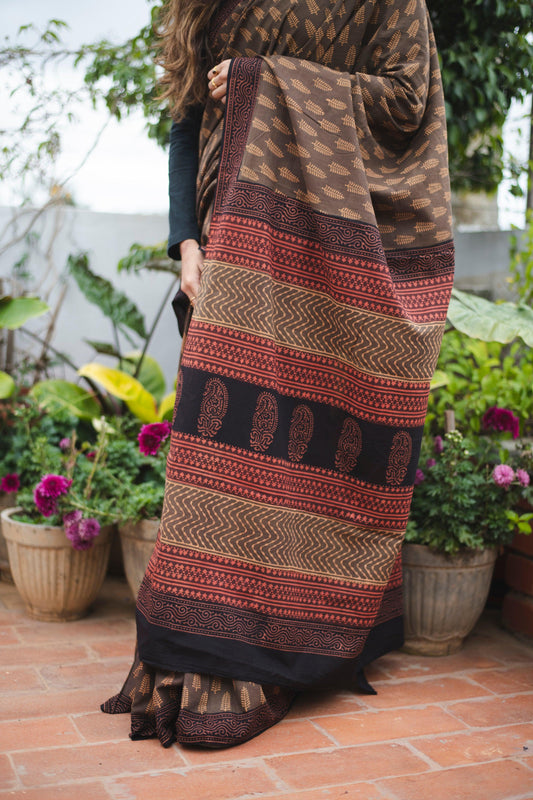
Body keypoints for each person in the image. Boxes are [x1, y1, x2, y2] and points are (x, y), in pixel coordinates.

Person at [102, 0, 455, 749]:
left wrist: (269, 80)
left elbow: (407, 100)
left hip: (331, 250)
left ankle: (288, 646)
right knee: (218, 456)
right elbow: (188, 120)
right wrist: (186, 241)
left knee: (308, 453)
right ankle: (201, 651)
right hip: (230, 236)